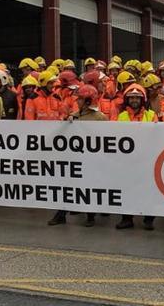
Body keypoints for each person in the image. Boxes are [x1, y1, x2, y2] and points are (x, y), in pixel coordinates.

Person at [48, 84, 104, 227]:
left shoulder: (100, 118)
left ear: (88, 101)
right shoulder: (74, 116)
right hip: (74, 158)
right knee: (68, 186)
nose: (77, 101)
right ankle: (61, 214)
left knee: (88, 187)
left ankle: (90, 216)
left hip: (91, 159)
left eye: (80, 99)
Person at [115, 84, 158, 230]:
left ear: (142, 100)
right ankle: (127, 219)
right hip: (127, 161)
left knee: (149, 190)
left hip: (147, 159)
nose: (134, 100)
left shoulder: (151, 115)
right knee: (127, 189)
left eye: (137, 98)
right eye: (131, 97)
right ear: (127, 100)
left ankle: (149, 219)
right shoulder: (121, 116)